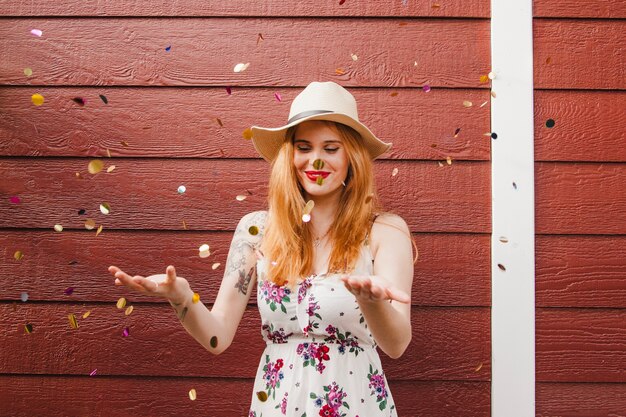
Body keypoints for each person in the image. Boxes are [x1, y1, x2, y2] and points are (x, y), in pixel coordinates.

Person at [108, 81, 414, 417]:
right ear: (290, 155)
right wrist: (183, 299)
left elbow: (397, 345)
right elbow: (218, 337)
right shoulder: (256, 230)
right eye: (303, 147)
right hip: (277, 404)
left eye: (331, 148)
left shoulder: (385, 230)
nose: (315, 160)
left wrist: (372, 304)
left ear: (351, 157)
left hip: (356, 404)